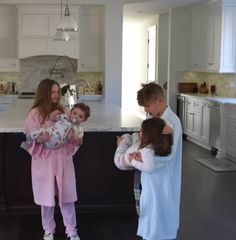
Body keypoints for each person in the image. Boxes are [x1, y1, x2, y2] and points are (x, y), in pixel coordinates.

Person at [114, 82, 182, 240]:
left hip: (162, 177)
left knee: (160, 212)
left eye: (148, 105)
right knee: (149, 211)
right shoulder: (155, 118)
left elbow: (169, 154)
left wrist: (143, 159)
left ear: (160, 100)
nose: (146, 110)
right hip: (148, 174)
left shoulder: (172, 122)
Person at [22, 78, 82, 240]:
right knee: (46, 197)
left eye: (57, 92)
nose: (56, 95)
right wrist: (41, 136)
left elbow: (72, 131)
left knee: (67, 196)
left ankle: (71, 230)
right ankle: (48, 230)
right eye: (52, 92)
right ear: (44, 93)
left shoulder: (64, 112)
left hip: (63, 158)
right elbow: (28, 138)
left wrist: (73, 138)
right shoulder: (34, 114)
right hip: (44, 161)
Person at [22, 102, 90, 150]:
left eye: (80, 116)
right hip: (51, 131)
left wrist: (74, 138)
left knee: (46, 137)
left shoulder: (79, 130)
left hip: (56, 142)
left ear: (84, 120)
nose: (76, 117)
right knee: (41, 131)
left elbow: (76, 141)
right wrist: (53, 116)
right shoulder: (65, 117)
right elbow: (54, 118)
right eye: (74, 113)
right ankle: (28, 141)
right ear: (71, 112)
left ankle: (34, 139)